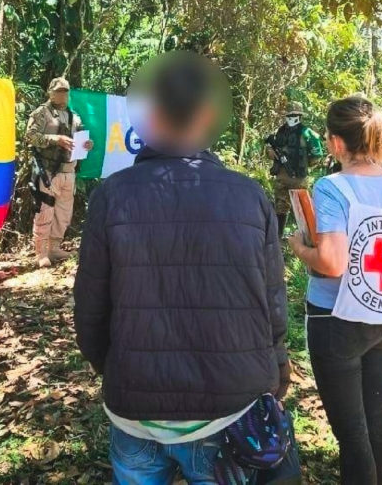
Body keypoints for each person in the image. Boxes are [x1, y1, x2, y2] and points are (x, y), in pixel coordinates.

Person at [74, 52, 289, 484]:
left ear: (150, 115)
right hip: (230, 409)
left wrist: (120, 370)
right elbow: (273, 305)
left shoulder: (111, 196)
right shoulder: (250, 196)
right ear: (208, 114)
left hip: (135, 411)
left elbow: (90, 311)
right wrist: (276, 375)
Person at [289, 95, 382, 485]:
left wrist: (298, 245)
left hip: (337, 320)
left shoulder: (332, 188)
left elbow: (331, 262)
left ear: (338, 143)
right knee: (379, 419)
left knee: (352, 435)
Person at [25, 77, 93, 267]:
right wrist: (55, 139)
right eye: (59, 91)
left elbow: (81, 136)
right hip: (48, 171)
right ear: (50, 92)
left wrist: (87, 144)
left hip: (68, 171)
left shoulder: (74, 116)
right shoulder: (41, 113)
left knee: (63, 213)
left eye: (65, 92)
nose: (62, 95)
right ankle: (41, 252)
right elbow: (30, 137)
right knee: (45, 211)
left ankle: (54, 247)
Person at [265, 101, 326, 236]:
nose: (291, 118)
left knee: (303, 208)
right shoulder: (280, 132)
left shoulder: (307, 133)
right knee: (280, 208)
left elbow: (317, 155)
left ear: (299, 115)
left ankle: (308, 238)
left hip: (299, 177)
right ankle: (278, 238)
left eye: (294, 115)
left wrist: (303, 164)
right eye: (289, 115)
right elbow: (270, 147)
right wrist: (270, 150)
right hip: (282, 176)